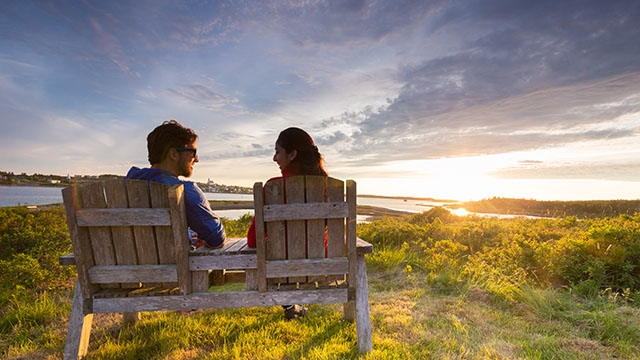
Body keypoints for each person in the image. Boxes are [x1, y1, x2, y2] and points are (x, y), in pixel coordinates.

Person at [246, 127, 328, 319]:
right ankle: (292, 307)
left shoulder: (273, 188)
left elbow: (252, 240)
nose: (274, 158)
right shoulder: (327, 187)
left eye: (277, 152)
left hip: (281, 269)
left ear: (292, 154)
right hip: (321, 265)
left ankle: (290, 305)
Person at [126, 120, 226, 249]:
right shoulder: (185, 191)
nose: (196, 159)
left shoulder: (126, 186)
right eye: (192, 152)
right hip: (173, 269)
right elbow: (217, 239)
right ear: (173, 154)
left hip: (121, 267)